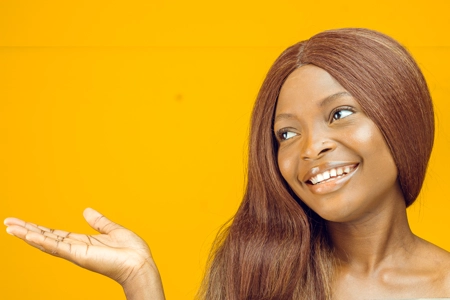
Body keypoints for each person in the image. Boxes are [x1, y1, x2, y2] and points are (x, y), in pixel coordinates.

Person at [4, 28, 450, 299]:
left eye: (339, 114)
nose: (311, 148)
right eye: (287, 134)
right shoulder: (259, 269)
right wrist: (141, 282)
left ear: (401, 114)